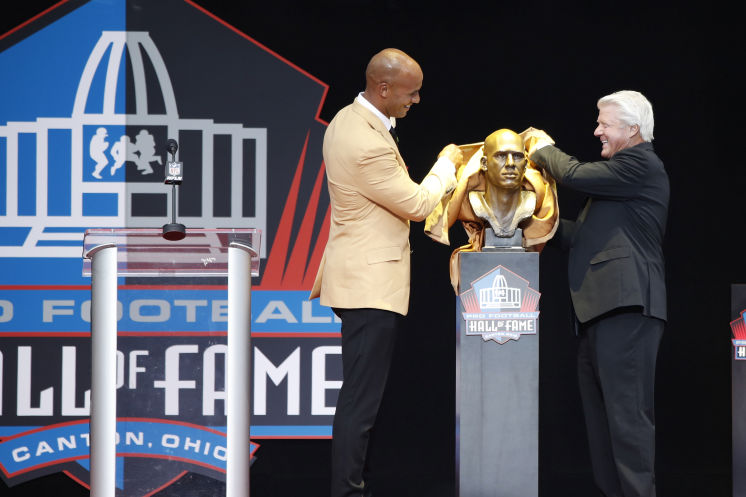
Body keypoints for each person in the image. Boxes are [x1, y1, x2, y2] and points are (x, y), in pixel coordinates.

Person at [309, 48, 462, 497]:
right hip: (367, 285)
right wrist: (446, 164)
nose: (414, 101)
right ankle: (348, 491)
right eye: (410, 94)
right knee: (360, 402)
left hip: (364, 280)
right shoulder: (364, 140)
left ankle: (354, 487)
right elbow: (416, 204)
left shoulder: (351, 120)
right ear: (383, 88)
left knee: (363, 399)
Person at [526, 90, 669, 497]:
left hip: (629, 309)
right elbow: (583, 237)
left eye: (604, 124)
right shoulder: (621, 182)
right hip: (601, 313)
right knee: (603, 425)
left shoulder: (641, 164)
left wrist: (542, 148)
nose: (597, 130)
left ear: (632, 128)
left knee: (626, 423)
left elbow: (572, 173)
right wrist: (529, 224)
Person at [424, 128, 558, 292]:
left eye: (517, 156)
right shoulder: (466, 199)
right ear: (484, 164)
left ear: (524, 165)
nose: (510, 163)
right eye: (501, 156)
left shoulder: (538, 196)